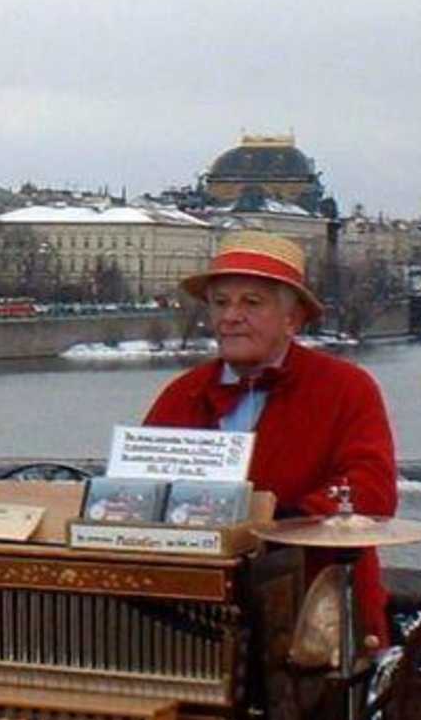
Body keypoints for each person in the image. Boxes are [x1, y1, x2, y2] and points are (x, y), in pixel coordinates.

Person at [142, 232, 399, 648]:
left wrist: (285, 522)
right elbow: (139, 487)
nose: (231, 316)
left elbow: (373, 490)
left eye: (251, 303)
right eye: (220, 303)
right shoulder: (182, 393)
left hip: (316, 617)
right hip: (196, 623)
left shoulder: (347, 388)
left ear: (291, 319)